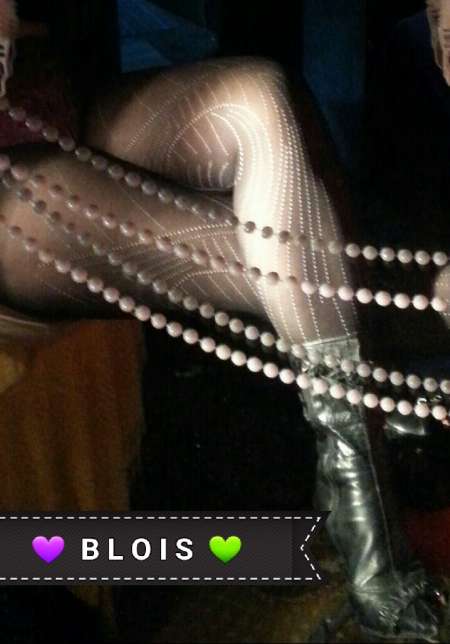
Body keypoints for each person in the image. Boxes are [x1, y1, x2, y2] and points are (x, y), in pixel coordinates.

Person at [0, 1, 448, 640]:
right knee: (299, 254)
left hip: (55, 101)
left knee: (261, 99)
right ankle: (371, 527)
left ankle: (363, 443)